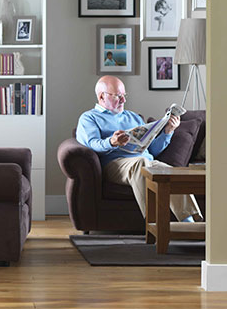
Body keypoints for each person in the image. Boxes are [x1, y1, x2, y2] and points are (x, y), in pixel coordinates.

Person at [76, 76, 203, 222]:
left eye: (124, 96)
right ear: (101, 96)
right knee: (140, 163)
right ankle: (157, 224)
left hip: (145, 161)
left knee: (172, 173)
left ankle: (191, 224)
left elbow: (152, 151)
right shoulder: (89, 118)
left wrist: (168, 131)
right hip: (116, 164)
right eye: (118, 96)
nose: (123, 100)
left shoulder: (133, 117)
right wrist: (112, 142)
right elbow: (92, 144)